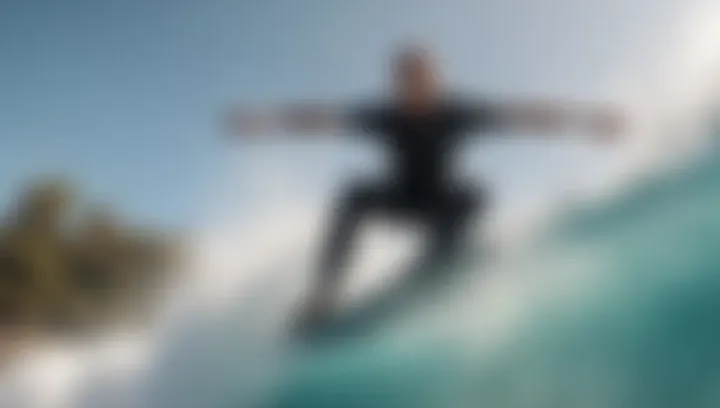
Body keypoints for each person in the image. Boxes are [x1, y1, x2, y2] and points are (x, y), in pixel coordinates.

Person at [226, 46, 626, 326]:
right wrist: (266, 122)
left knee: (476, 193)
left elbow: (521, 116)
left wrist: (587, 120)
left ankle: (441, 261)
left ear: (436, 80)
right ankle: (326, 291)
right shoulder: (385, 116)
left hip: (441, 205)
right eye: (406, 80)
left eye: (423, 77)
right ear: (396, 84)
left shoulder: (458, 112)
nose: (415, 87)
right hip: (402, 200)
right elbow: (323, 119)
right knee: (352, 194)